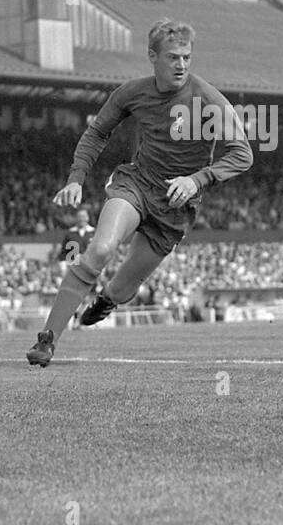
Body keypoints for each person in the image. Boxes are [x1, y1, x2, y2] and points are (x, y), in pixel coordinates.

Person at [25, 19, 254, 367]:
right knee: (100, 249)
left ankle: (108, 300)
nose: (181, 65)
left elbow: (243, 153)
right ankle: (47, 341)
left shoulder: (208, 99)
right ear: (153, 57)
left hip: (177, 206)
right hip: (137, 184)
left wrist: (197, 179)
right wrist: (75, 178)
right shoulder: (132, 92)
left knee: (122, 287)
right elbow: (96, 132)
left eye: (187, 58)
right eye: (173, 57)